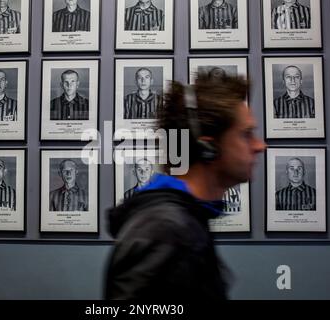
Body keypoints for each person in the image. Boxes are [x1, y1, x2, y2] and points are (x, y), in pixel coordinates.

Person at [105, 72, 265, 299]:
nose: (260, 145)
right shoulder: (165, 231)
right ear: (208, 148)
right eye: (247, 134)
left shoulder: (183, 218)